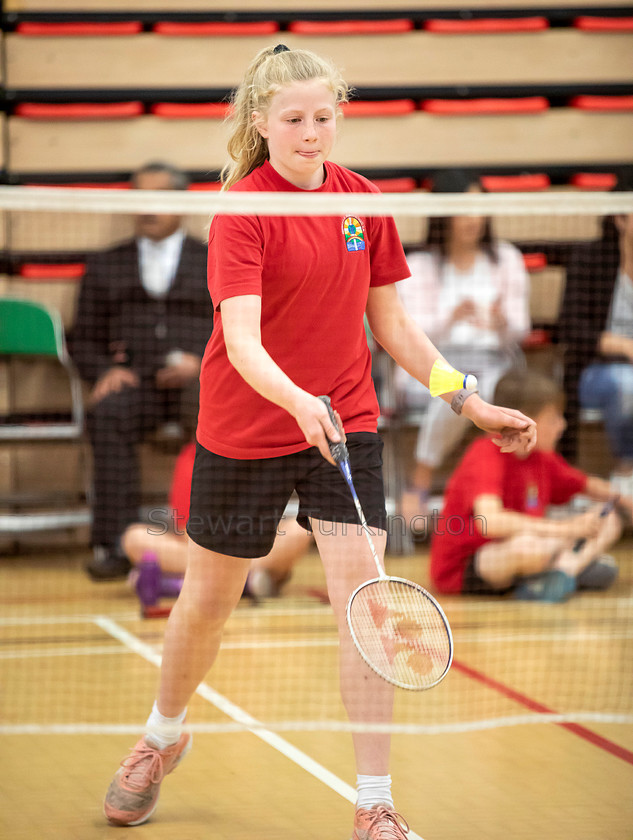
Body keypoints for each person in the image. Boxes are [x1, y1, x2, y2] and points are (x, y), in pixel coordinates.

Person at [102, 45, 536, 839]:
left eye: (323, 117)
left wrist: (469, 402)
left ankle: (374, 800)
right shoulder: (243, 209)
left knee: (363, 610)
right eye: (294, 119)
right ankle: (161, 736)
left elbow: (395, 327)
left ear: (339, 116)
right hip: (246, 425)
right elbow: (241, 343)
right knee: (205, 605)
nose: (311, 133)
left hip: (344, 427)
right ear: (261, 123)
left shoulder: (363, 202)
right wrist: (299, 401)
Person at [70, 162, 212, 581]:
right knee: (108, 411)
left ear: (181, 204)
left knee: (216, 415)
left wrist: (204, 361)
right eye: (140, 197)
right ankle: (115, 544)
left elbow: (242, 324)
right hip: (137, 383)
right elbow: (81, 338)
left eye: (158, 197)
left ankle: (212, 538)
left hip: (200, 381)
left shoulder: (213, 259)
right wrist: (102, 371)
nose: (147, 208)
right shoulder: (106, 264)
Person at [396, 170, 531, 525]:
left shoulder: (507, 260)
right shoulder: (420, 266)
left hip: (495, 362)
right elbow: (405, 333)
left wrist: (502, 324)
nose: (474, 218)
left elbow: (521, 328)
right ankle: (422, 475)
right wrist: (450, 318)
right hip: (429, 368)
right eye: (463, 209)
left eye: (479, 208)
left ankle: (506, 492)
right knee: (463, 388)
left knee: (479, 387)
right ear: (444, 214)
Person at [430, 370, 632, 602]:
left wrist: (626, 499)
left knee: (609, 518)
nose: (562, 425)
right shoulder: (485, 454)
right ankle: (568, 566)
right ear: (525, 420)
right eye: (554, 418)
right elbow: (491, 523)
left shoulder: (543, 459)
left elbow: (590, 486)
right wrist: (568, 529)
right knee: (529, 547)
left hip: (533, 547)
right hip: (473, 565)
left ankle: (562, 572)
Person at [122, 440, 314, 606]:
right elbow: (187, 533)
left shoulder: (261, 455)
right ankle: (247, 583)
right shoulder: (192, 457)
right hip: (203, 550)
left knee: (300, 531)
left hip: (251, 548)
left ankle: (181, 584)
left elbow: (264, 523)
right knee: (135, 538)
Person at [558, 170, 633, 492]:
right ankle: (626, 471)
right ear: (620, 218)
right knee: (627, 384)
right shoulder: (590, 259)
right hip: (593, 370)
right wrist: (624, 347)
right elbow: (570, 327)